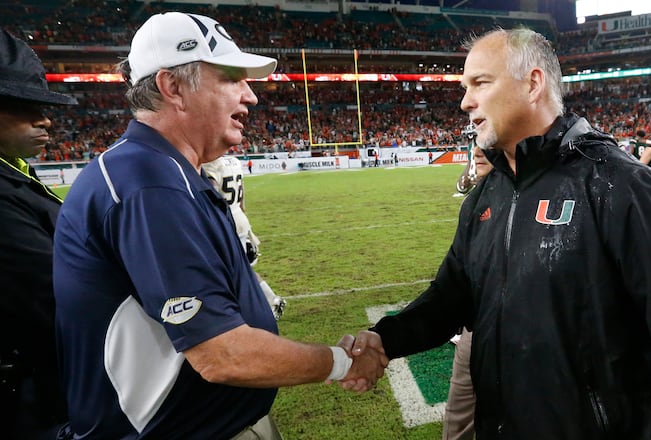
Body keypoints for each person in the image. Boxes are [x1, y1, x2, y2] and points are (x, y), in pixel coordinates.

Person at [343, 28, 651, 439]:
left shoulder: (618, 184)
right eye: (465, 87)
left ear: (533, 83)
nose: (465, 102)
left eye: (480, 83)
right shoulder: (488, 193)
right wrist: (385, 341)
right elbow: (451, 296)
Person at [52, 12, 386, 439]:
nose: (251, 96)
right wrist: (340, 361)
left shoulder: (165, 172)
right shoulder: (148, 184)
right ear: (172, 87)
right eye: (232, 78)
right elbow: (223, 356)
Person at [0, 28, 77, 439]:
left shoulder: (15, 172)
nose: (44, 118)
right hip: (30, 404)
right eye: (23, 105)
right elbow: (60, 298)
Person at [444, 143, 494, 440]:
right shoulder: (474, 202)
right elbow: (449, 283)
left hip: (523, 332)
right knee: (459, 413)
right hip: (476, 326)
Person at [202, 155, 286, 320]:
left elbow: (211, 195)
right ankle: (268, 301)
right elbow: (242, 197)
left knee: (233, 270)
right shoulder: (233, 160)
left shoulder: (210, 164)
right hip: (238, 217)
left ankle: (269, 302)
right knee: (239, 268)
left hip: (225, 221)